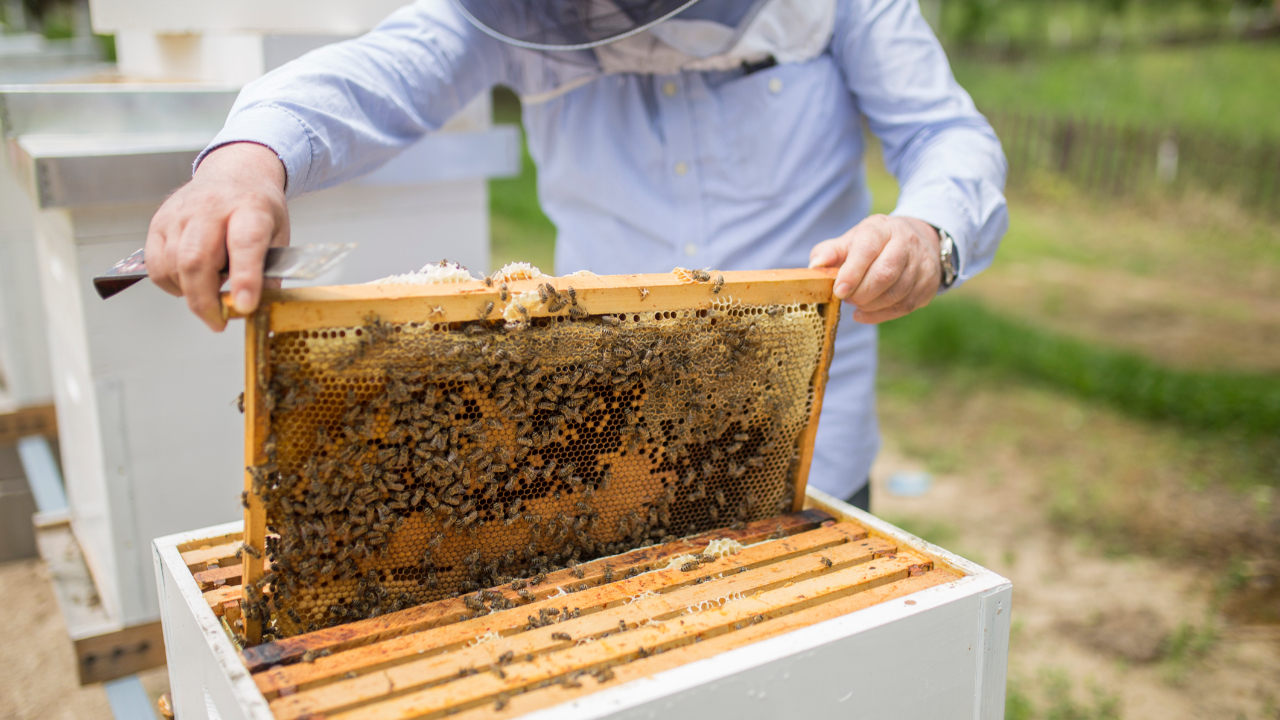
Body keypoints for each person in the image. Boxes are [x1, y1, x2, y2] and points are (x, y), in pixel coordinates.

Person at [144, 0, 1008, 511]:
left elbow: (945, 133)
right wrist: (248, 162)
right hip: (602, 433)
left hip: (810, 437)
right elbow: (380, 71)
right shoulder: (511, 14)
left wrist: (927, 230)